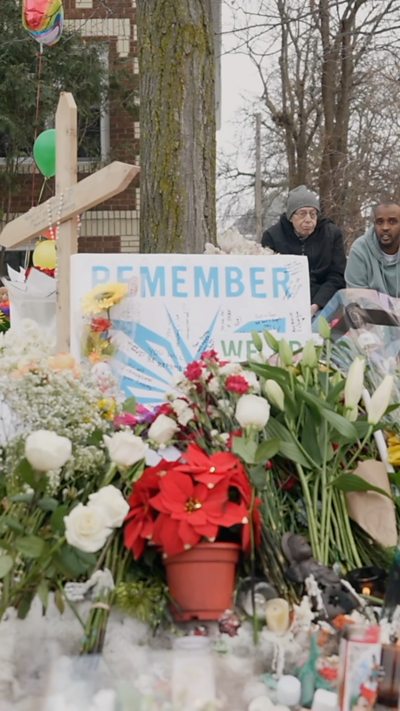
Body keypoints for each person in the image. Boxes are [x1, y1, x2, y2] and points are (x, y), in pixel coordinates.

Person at [262, 185, 346, 317]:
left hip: (324, 303)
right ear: (291, 217)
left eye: (313, 214)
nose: (308, 219)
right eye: (302, 214)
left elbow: (337, 276)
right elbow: (267, 279)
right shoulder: (272, 236)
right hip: (285, 304)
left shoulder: (331, 234)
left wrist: (317, 304)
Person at [345, 200, 400, 297]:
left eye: (392, 221)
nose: (385, 227)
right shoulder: (360, 250)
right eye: (380, 222)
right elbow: (357, 297)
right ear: (374, 224)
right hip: (371, 310)